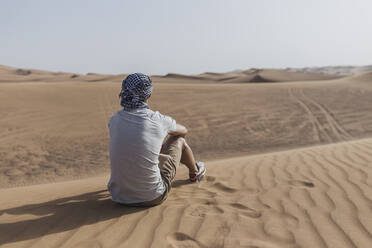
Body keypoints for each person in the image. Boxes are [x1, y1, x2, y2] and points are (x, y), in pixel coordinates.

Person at [107, 73, 206, 207]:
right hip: (152, 197)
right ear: (149, 95)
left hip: (118, 196)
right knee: (179, 140)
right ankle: (195, 172)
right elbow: (184, 131)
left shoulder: (114, 120)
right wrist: (163, 134)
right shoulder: (157, 120)